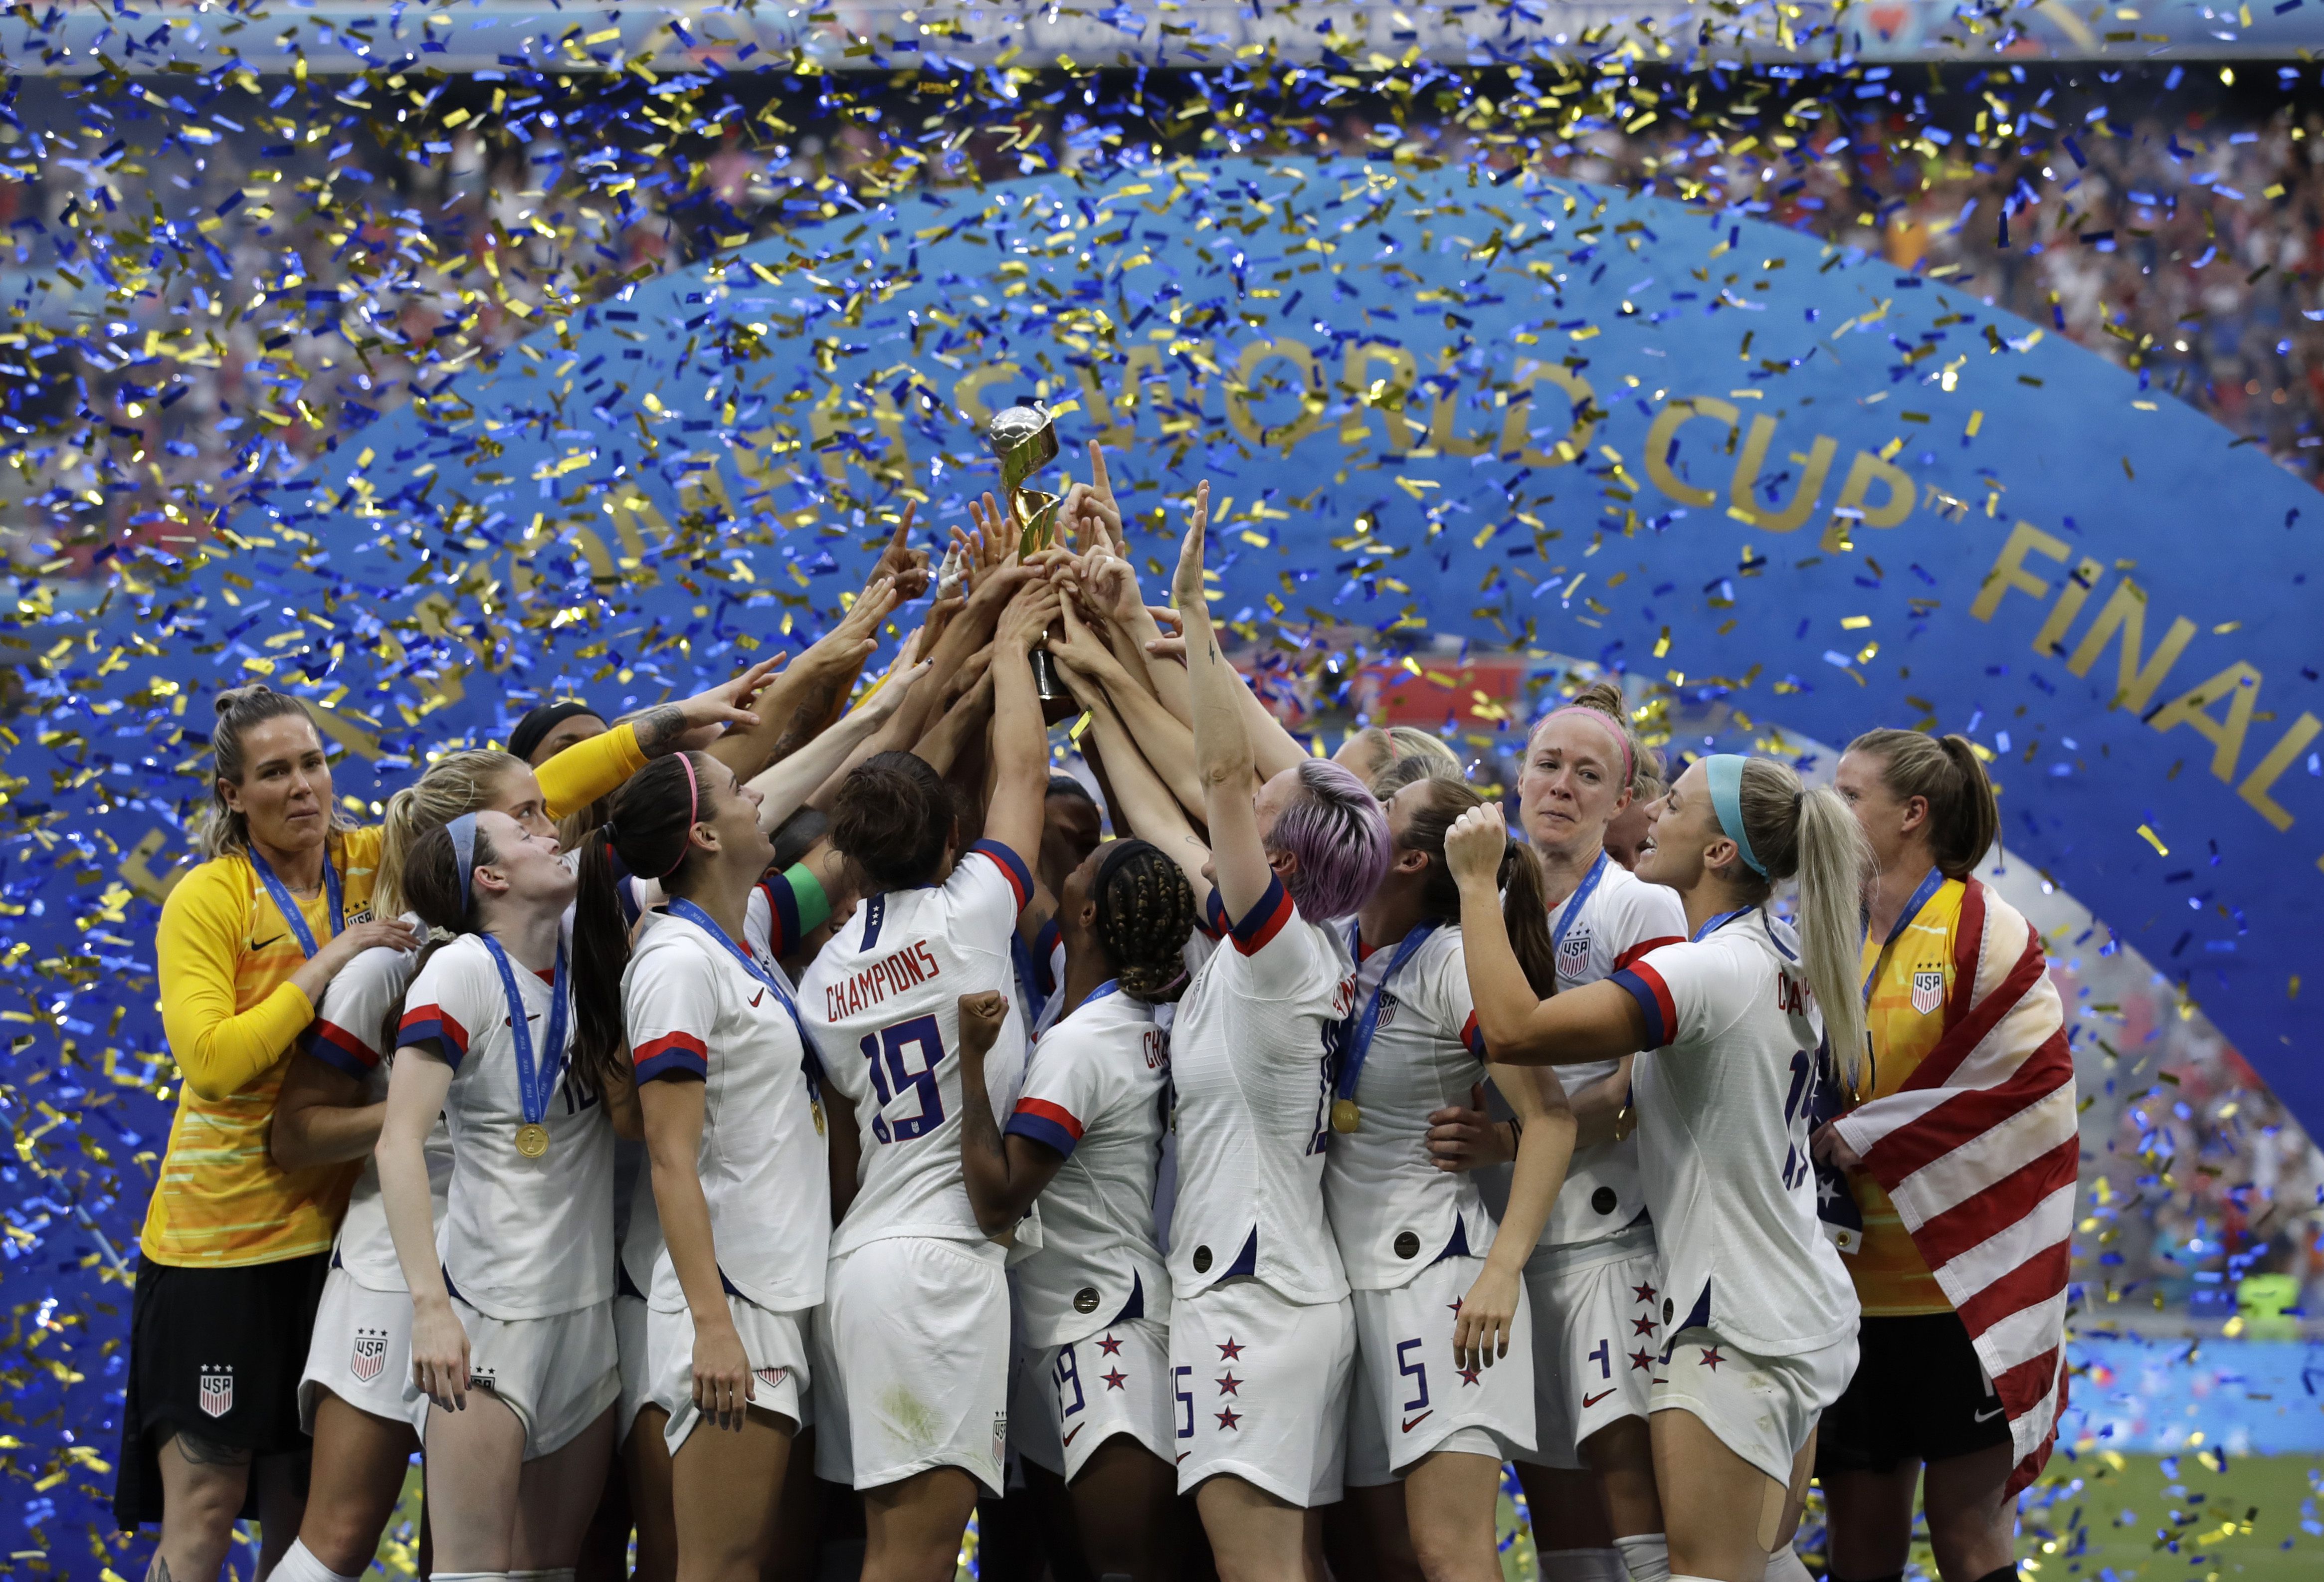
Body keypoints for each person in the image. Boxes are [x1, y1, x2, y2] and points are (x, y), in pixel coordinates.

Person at [267, 718, 698, 1582]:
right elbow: (299, 1134)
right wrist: (440, 1112)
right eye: (532, 812)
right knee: (349, 1535)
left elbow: (694, 808)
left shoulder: (576, 942)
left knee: (537, 1560)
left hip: (547, 1282)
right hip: (408, 1268)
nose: (556, 824)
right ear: (480, 857)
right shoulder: (399, 966)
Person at [1445, 754, 1871, 1582]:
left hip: (1737, 1321)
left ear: (1718, 853)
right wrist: (1508, 1141)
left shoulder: (1705, 969)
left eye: (1672, 805)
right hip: (1788, 1301)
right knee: (1763, 1565)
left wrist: (1473, 886)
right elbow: (1630, 1102)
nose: (1650, 818)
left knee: (1707, 1572)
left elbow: (1516, 1031)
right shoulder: (1773, 957)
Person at [119, 686, 422, 1582]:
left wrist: (657, 734)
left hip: (332, 1252)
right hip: (218, 1257)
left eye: (313, 762)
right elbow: (213, 1063)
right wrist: (330, 958)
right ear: (231, 795)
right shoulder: (209, 899)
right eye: (274, 772)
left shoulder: (369, 863)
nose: (302, 787)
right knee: (207, 1510)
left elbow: (524, 799)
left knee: (300, 1509)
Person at [798, 576, 1057, 1582]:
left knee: (894, 1547)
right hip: (937, 1267)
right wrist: (1013, 647)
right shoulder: (973, 914)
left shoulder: (822, 979)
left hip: (862, 1261)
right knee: (913, 1557)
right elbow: (1026, 773)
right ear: (952, 838)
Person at [1163, 483, 1392, 1582]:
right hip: (1280, 1286)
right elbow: (1217, 783)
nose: (1243, 795)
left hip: (1250, 1294)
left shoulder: (1281, 950)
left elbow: (1214, 771)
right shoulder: (1303, 946)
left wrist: (1198, 620)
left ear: (1285, 861)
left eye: (1263, 804)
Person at [1423, 685, 1686, 1582]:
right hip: (1503, 1235)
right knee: (1546, 1483)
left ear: (1622, 802)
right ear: (1517, 776)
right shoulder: (1484, 892)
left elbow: (1635, 1085)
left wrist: (1509, 1140)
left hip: (1609, 1231)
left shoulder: (1642, 907)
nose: (1562, 787)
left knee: (1624, 1473)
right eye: (1547, 765)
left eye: (1589, 774)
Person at [1814, 729, 2071, 1582]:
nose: (1832, 807)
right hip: (1843, 1296)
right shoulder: (1823, 927)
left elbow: (2018, 1090)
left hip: (1961, 1295)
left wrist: (1865, 1135)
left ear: (1911, 815)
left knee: (1966, 1537)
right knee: (1859, 1546)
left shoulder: (1985, 930)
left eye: (1851, 796)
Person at [570, 751, 830, 1582]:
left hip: (763, 1289)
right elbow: (669, 1159)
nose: (759, 795)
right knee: (717, 1570)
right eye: (736, 789)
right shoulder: (677, 963)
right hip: (729, 1301)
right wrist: (715, 1327)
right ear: (705, 834)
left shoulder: (732, 941)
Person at [375, 806, 640, 1577]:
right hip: (489, 1316)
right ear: (489, 877)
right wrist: (430, 1308)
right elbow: (399, 1142)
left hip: (586, 1315)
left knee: (552, 1569)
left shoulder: (584, 951)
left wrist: (884, 710)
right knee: (470, 1571)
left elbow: (701, 822)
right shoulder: (460, 971)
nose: (552, 835)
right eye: (526, 835)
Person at [1329, 776, 1578, 1582]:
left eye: (1386, 807)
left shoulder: (1448, 962)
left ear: (1405, 859)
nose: (1365, 810)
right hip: (1345, 1284)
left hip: (1443, 1285)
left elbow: (1552, 1118)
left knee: (1449, 1552)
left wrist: (1502, 1272)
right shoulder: (1334, 939)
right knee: (1388, 1556)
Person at [949, 837, 1198, 1582]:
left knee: (1124, 1568)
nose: (1079, 856)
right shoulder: (1125, 1010)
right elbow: (1029, 897)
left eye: (1089, 860)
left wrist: (970, 1061)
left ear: (1088, 914)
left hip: (1101, 1332)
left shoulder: (1083, 1046)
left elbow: (998, 1201)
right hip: (1080, 1315)